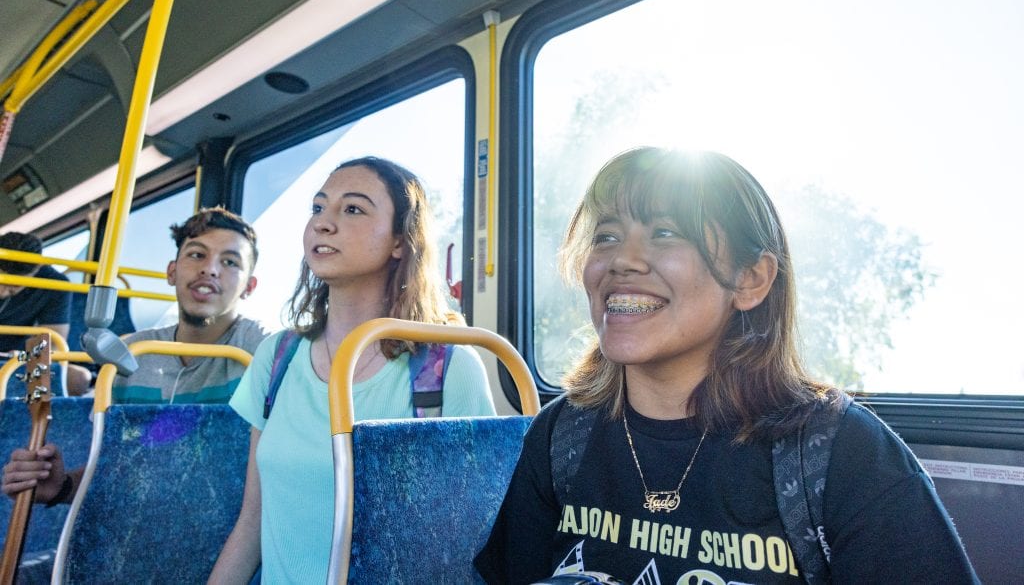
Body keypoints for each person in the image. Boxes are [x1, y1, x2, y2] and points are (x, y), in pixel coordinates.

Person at [474, 148, 979, 584]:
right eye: (606, 237)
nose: (622, 260)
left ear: (751, 280)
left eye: (665, 232)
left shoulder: (838, 452)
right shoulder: (562, 435)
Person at [210, 156, 495, 584]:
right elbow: (252, 523)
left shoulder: (447, 369)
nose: (323, 223)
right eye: (318, 208)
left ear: (400, 240)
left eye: (353, 209)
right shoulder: (277, 359)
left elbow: (471, 543)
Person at [2, 206, 268, 508]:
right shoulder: (133, 356)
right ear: (171, 271)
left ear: (249, 286)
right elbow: (118, 474)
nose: (210, 269)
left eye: (230, 262)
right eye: (197, 255)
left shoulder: (261, 350)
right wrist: (61, 488)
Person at [0, 231, 72, 353]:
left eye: (14, 286)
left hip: (14, 356)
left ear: (36, 271)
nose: (2, 292)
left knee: (81, 373)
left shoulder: (54, 284)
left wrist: (23, 358)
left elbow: (54, 345)